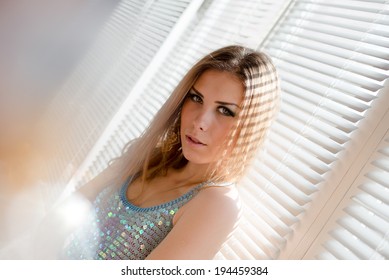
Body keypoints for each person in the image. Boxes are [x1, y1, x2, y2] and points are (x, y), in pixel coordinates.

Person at [60, 45, 280, 260]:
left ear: (250, 126)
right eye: (196, 98)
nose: (200, 122)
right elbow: (64, 213)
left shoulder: (218, 204)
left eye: (225, 111)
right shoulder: (149, 156)